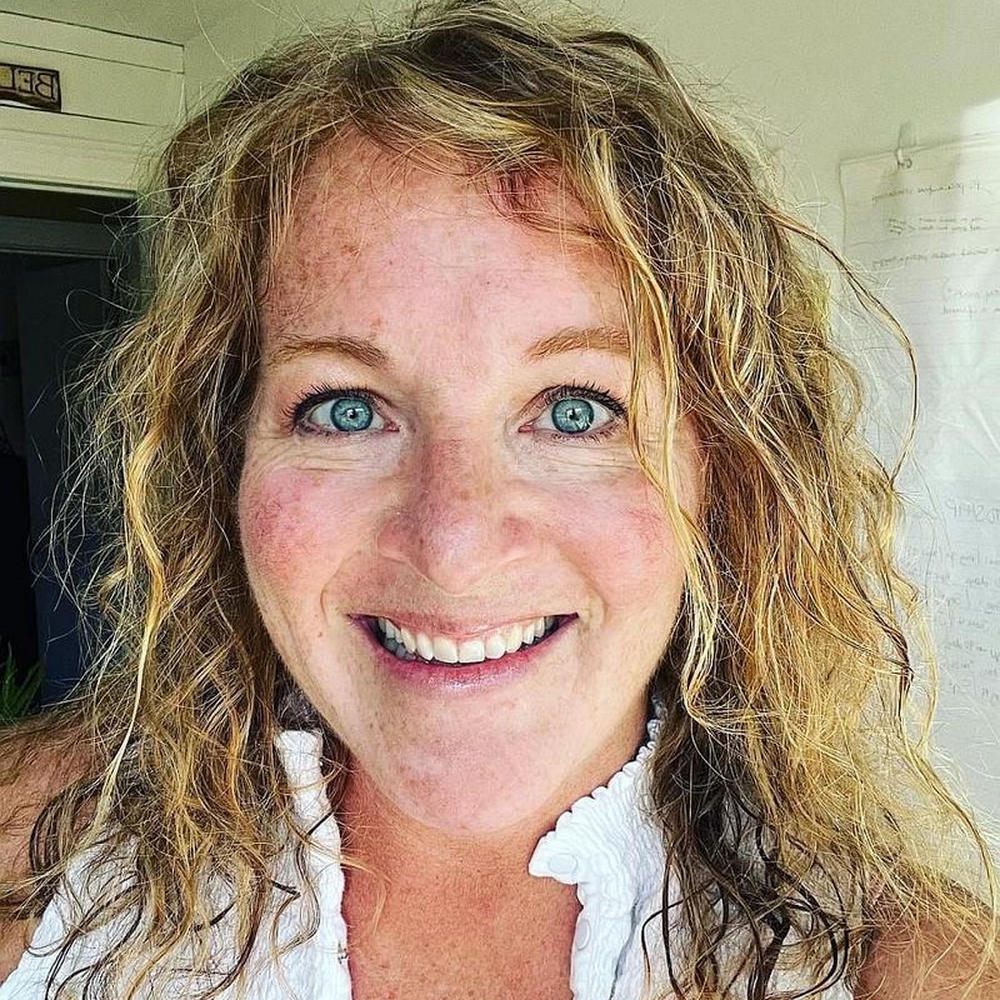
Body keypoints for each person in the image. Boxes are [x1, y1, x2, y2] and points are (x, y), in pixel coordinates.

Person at [1, 1, 998, 997]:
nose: (453, 546)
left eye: (574, 410)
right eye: (346, 409)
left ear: (725, 472)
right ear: (227, 462)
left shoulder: (909, 972)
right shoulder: (33, 862)